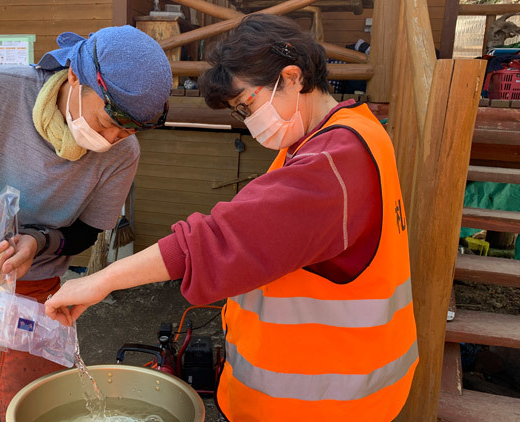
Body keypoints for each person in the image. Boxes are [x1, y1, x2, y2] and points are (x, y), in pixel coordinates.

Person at [37, 14, 419, 421]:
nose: (250, 123)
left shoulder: (332, 163)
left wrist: (99, 281)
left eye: (247, 104)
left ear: (292, 77)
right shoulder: (348, 131)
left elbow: (219, 240)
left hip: (321, 402)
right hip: (334, 386)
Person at [0, 26, 172, 422]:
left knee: (40, 412)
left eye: (128, 130)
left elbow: (88, 230)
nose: (112, 138)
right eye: (108, 121)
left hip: (35, 292)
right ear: (75, 77)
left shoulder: (123, 153)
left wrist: (38, 242)